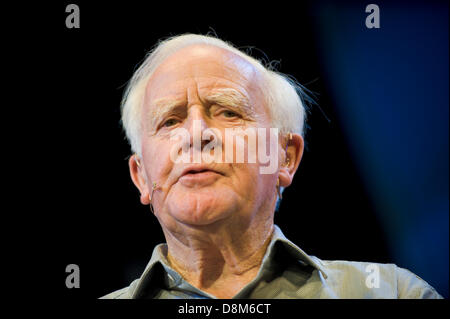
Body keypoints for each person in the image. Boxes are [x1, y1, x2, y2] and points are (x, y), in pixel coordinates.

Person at [101, 33, 442, 299]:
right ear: (141, 176)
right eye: (170, 121)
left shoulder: (390, 292)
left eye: (228, 112)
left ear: (285, 156)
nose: (196, 134)